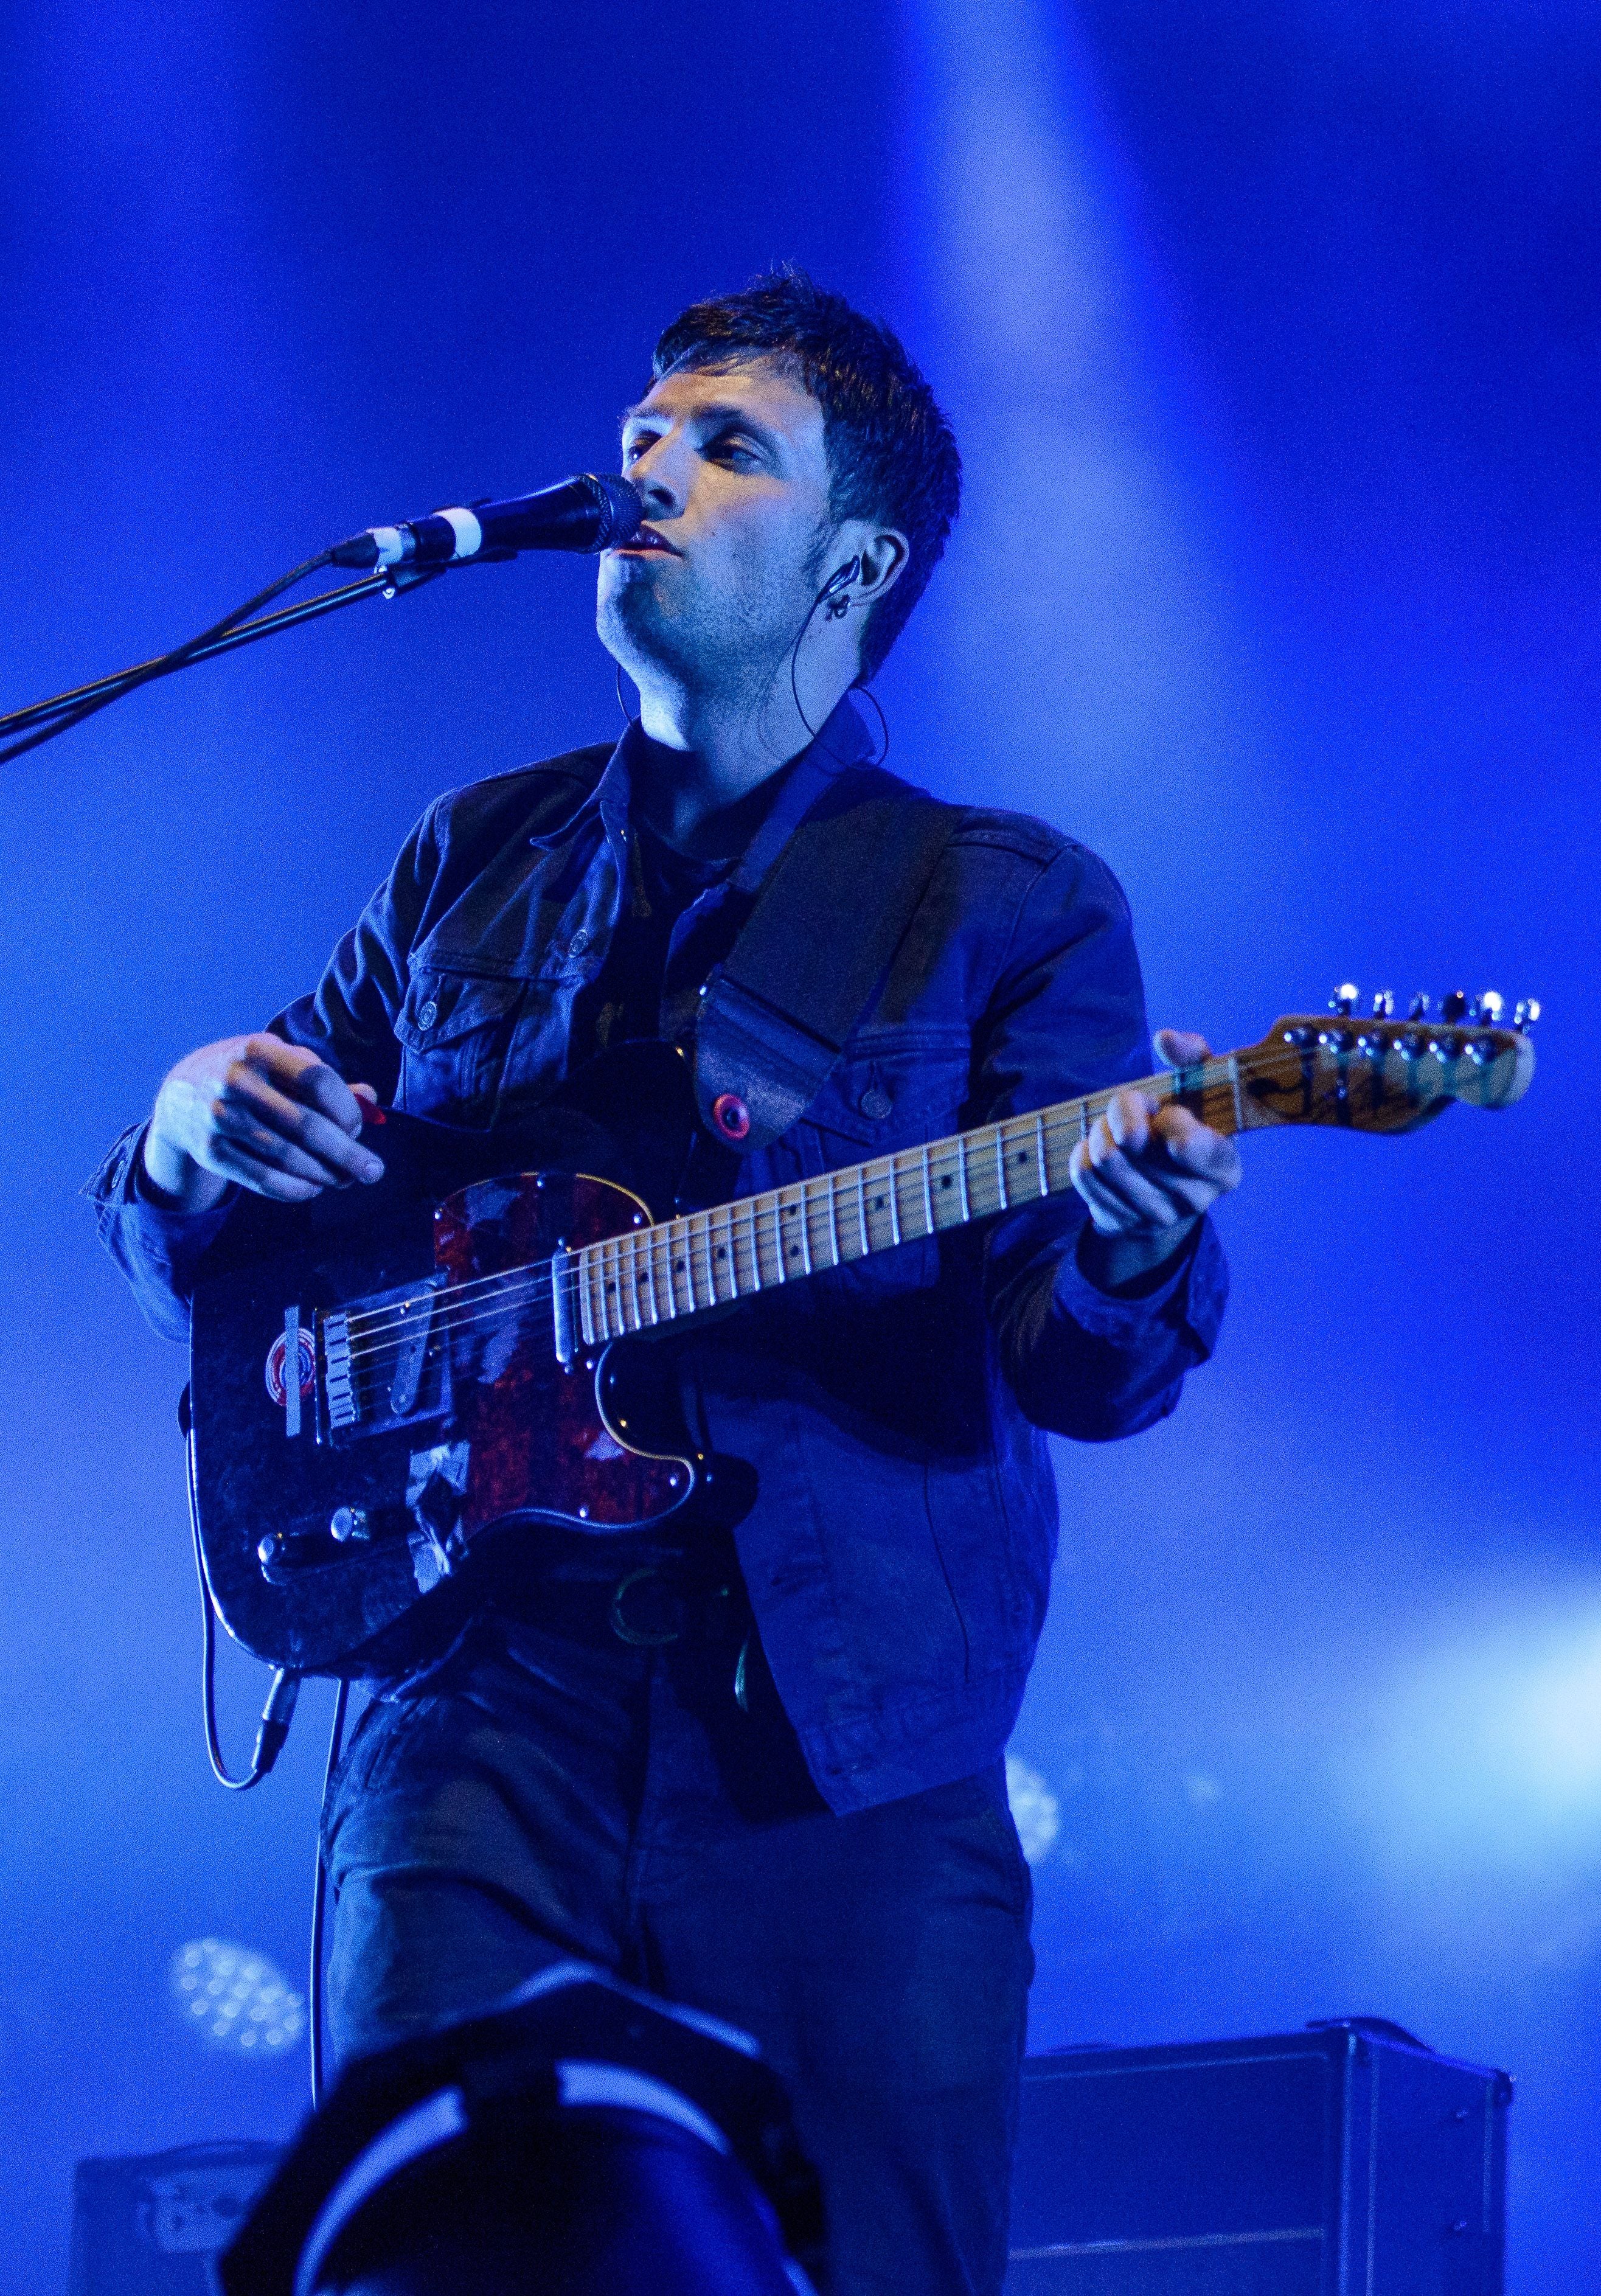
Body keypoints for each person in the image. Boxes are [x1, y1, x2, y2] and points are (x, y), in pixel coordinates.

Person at [89, 270, 1239, 2296]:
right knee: (429, 2261)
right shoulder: (473, 857)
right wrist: (182, 1133)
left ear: (852, 560)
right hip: (471, 1715)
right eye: (642, 436)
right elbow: (239, 1231)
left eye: (727, 446)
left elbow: (1075, 1361)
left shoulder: (1007, 901)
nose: (649, 469)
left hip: (843, 1743)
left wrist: (1136, 1249)